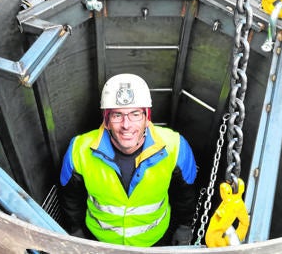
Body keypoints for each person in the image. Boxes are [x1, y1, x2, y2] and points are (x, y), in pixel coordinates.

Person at [59, 73, 197, 247]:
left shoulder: (175, 147)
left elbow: (185, 195)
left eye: (135, 114)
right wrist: (74, 230)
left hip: (154, 241)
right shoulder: (79, 150)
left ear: (147, 118)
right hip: (100, 242)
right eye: (117, 115)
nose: (126, 124)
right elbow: (71, 198)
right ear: (106, 121)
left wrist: (184, 226)